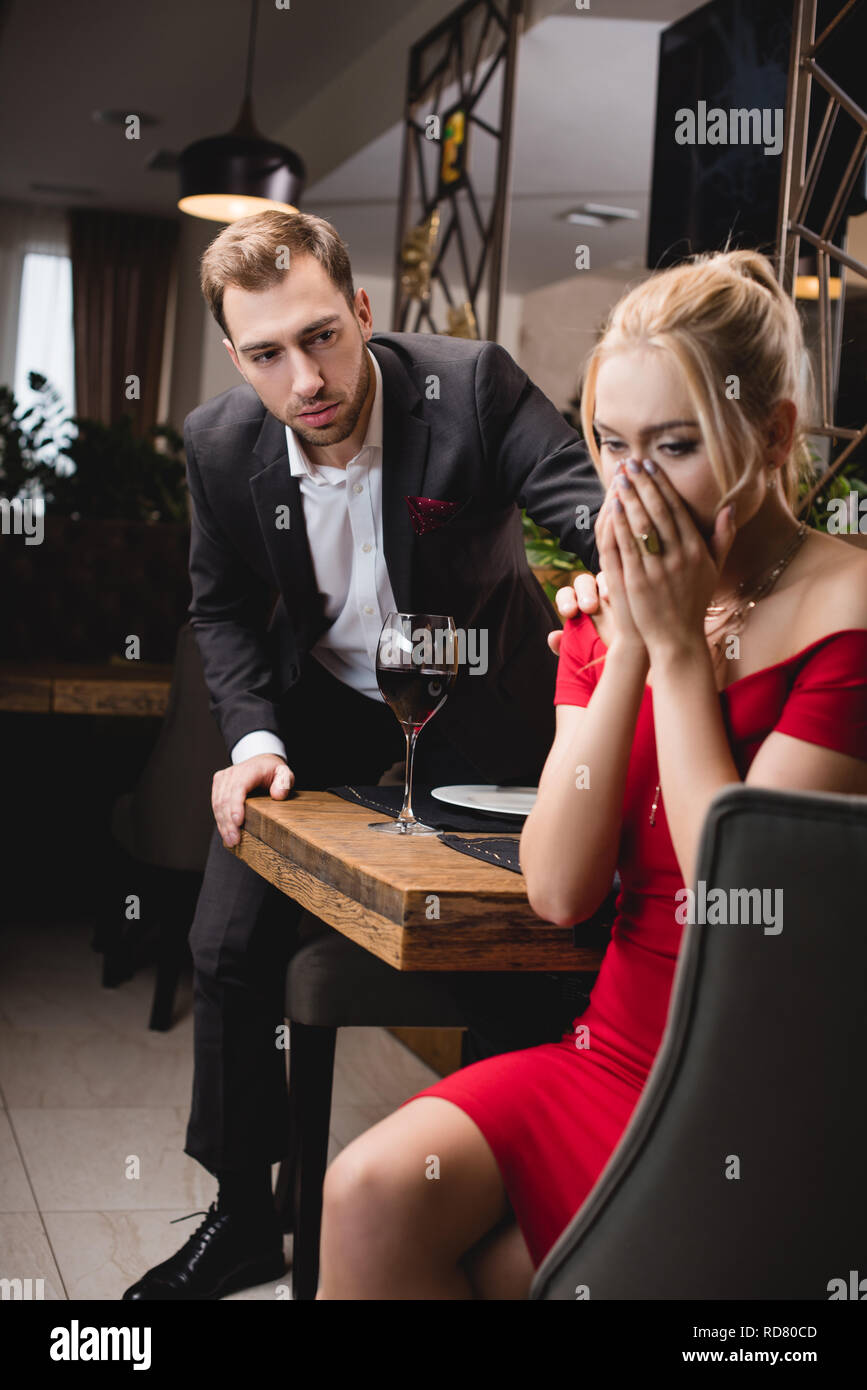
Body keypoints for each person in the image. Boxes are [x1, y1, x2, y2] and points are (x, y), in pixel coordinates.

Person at [316, 249, 867, 1300]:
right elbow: (560, 888)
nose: (633, 484)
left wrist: (680, 659)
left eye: (675, 445)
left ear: (775, 436)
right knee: (370, 1196)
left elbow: (745, 912)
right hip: (613, 1054)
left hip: (756, 1097)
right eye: (611, 444)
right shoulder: (601, 621)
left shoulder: (850, 611)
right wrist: (624, 652)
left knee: (516, 1274)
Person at [123, 210, 606, 1300]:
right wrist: (250, 738)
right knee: (229, 940)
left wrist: (628, 569)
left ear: (363, 312)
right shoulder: (219, 445)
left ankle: (489, 1201)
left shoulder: (470, 386)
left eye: (322, 336)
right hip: (321, 712)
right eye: (267, 354)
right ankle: (246, 1212)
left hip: (482, 691)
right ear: (239, 360)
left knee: (523, 940)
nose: (306, 377)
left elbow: (583, 498)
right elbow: (225, 609)